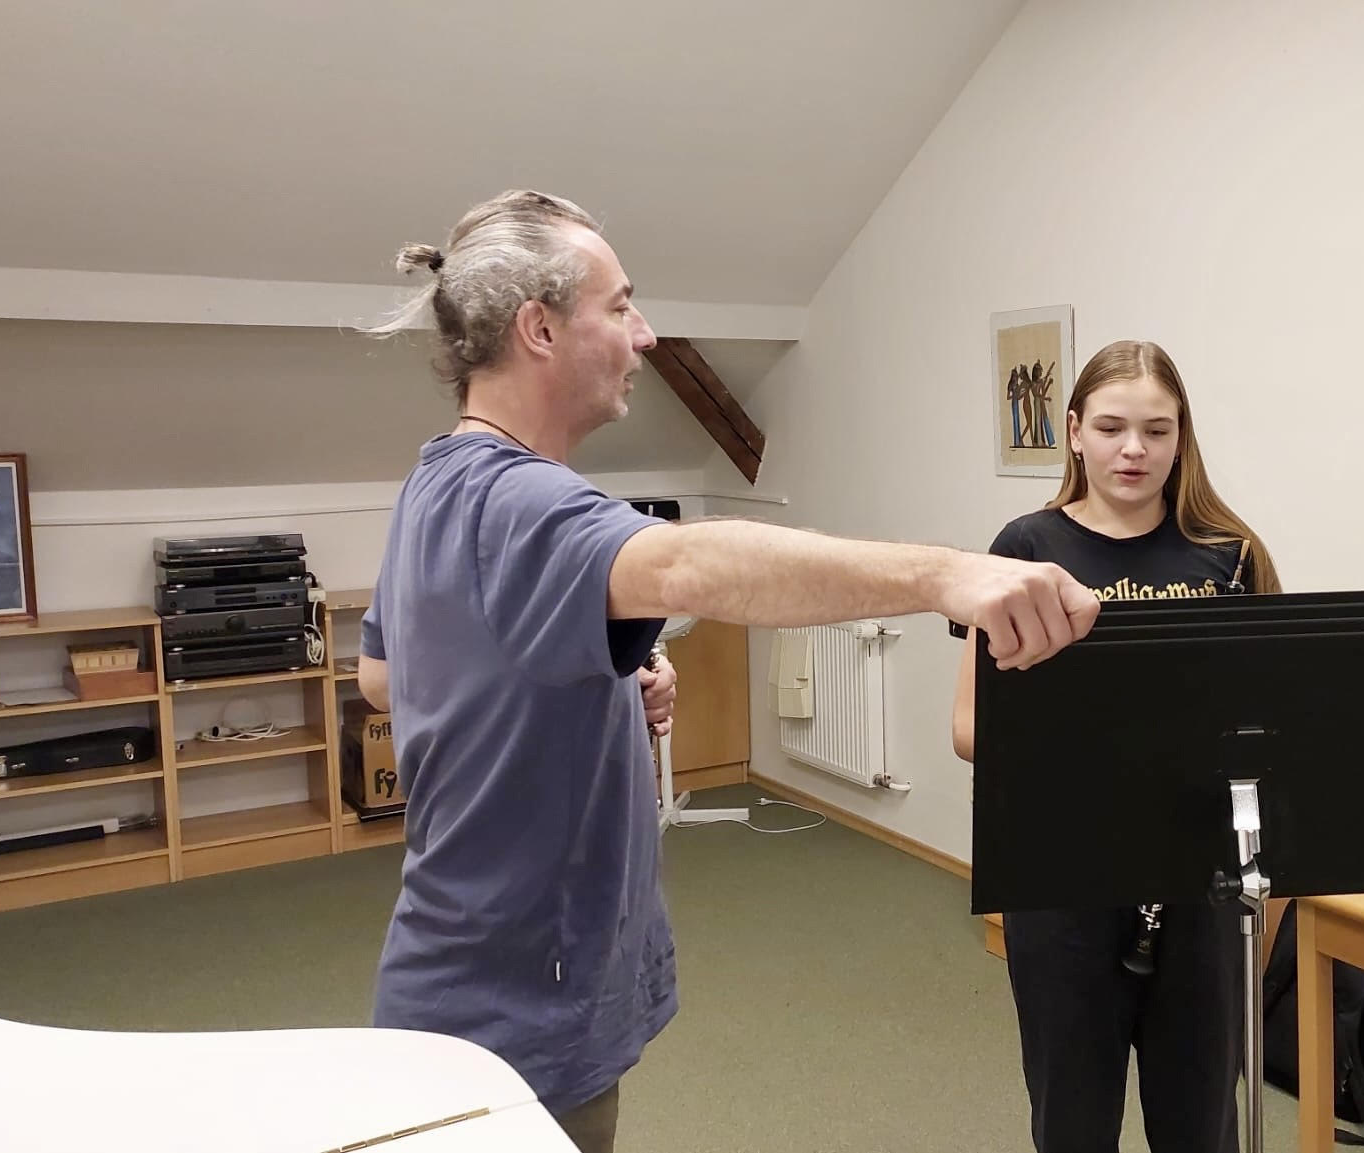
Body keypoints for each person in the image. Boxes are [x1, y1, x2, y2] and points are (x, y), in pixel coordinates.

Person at [353, 189, 1100, 1153]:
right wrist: (945, 575)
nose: (645, 334)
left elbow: (386, 677)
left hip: (463, 986)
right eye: (620, 305)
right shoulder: (520, 501)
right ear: (539, 329)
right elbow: (688, 563)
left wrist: (606, 683)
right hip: (510, 1026)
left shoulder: (438, 478)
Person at [951, 340, 1281, 1153]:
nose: (1134, 449)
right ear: (1073, 431)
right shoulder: (1024, 549)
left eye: (1156, 430)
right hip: (1062, 885)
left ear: (1181, 436)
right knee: (1072, 1124)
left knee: (1201, 1127)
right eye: (1110, 428)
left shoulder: (1231, 556)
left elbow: (1270, 724)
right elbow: (968, 727)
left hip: (1200, 887)